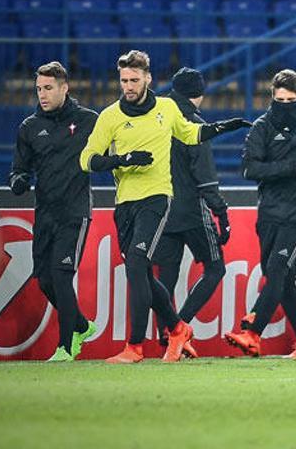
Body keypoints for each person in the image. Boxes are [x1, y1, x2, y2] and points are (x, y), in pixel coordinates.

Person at [79, 50, 250, 363]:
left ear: (147, 78)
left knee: (135, 264)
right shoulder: (110, 116)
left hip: (158, 198)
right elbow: (87, 159)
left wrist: (224, 126)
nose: (128, 86)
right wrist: (122, 160)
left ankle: (135, 347)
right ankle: (176, 327)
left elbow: (190, 133)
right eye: (124, 80)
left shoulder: (167, 108)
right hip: (125, 202)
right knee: (142, 270)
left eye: (134, 79)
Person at [225, 70, 296, 359]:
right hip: (269, 211)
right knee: (278, 276)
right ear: (272, 98)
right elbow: (249, 169)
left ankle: (253, 333)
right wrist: (289, 168)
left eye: (290, 99)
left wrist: (272, 166)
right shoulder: (261, 127)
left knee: (279, 268)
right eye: (279, 99)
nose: (284, 104)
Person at [9, 62, 98, 362]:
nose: (42, 94)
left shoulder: (88, 120)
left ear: (64, 88)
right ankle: (83, 326)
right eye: (38, 89)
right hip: (45, 214)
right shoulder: (29, 127)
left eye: (48, 88)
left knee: (61, 276)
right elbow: (18, 169)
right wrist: (18, 180)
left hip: (75, 211)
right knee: (45, 280)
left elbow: (108, 151)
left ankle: (65, 348)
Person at [151, 67, 232, 359]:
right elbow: (205, 177)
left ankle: (169, 337)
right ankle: (179, 328)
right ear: (199, 94)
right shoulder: (194, 124)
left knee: (166, 275)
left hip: (162, 208)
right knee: (215, 268)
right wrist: (221, 213)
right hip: (192, 211)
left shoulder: (156, 120)